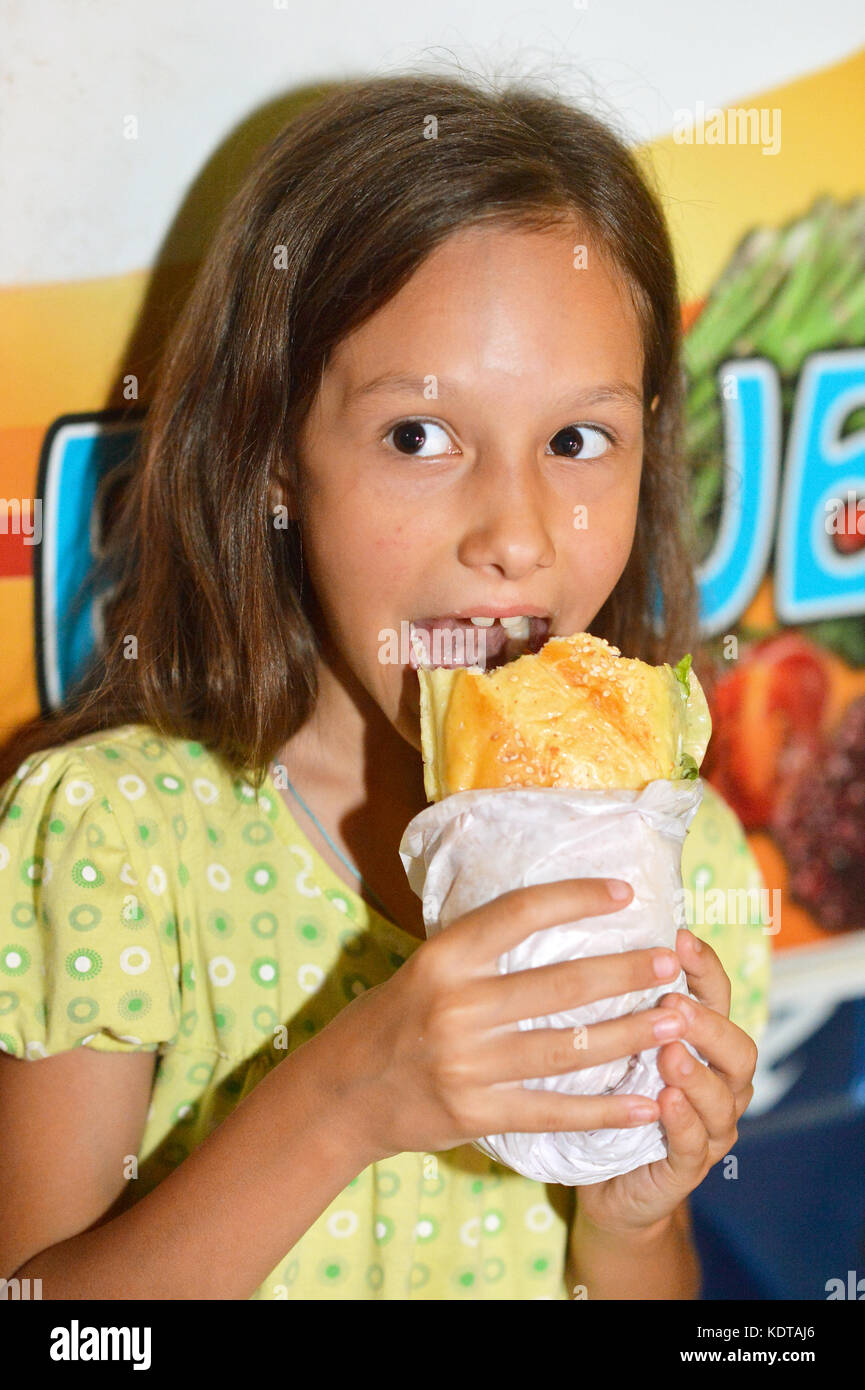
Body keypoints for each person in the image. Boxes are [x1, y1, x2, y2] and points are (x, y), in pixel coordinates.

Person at [0, 70, 769, 1300]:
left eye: (577, 440)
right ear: (273, 463)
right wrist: (350, 1097)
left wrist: (627, 1218)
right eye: (419, 435)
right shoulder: (115, 834)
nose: (514, 532)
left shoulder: (690, 866)